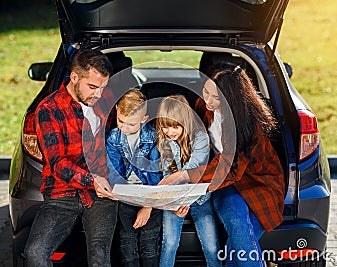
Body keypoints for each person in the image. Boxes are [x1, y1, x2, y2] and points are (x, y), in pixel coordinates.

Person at [159, 63, 286, 266]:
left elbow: (230, 167)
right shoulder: (204, 107)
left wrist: (185, 176)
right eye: (206, 91)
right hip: (224, 182)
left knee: (240, 243)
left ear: (231, 100)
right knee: (236, 227)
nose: (207, 100)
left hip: (257, 183)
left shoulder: (250, 124)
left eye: (216, 98)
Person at [23, 49, 118, 267]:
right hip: (62, 192)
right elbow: (57, 164)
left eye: (103, 87)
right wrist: (91, 180)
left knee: (100, 256)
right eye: (92, 87)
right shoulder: (49, 109)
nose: (98, 94)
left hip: (100, 195)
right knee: (35, 254)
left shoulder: (107, 99)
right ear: (74, 77)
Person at [156, 95, 222, 267]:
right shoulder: (164, 142)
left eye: (175, 127)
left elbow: (193, 169)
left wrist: (183, 196)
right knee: (169, 244)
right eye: (165, 127)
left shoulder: (200, 138)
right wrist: (174, 203)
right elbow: (165, 173)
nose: (170, 132)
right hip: (174, 199)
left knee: (211, 247)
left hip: (200, 199)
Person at [106, 89, 163, 267]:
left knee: (149, 241)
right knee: (127, 241)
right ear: (116, 110)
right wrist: (122, 194)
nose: (124, 128)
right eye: (120, 121)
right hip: (126, 194)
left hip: (151, 194)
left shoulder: (153, 138)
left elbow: (156, 175)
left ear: (143, 119)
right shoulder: (114, 138)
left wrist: (148, 205)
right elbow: (115, 172)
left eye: (131, 124)